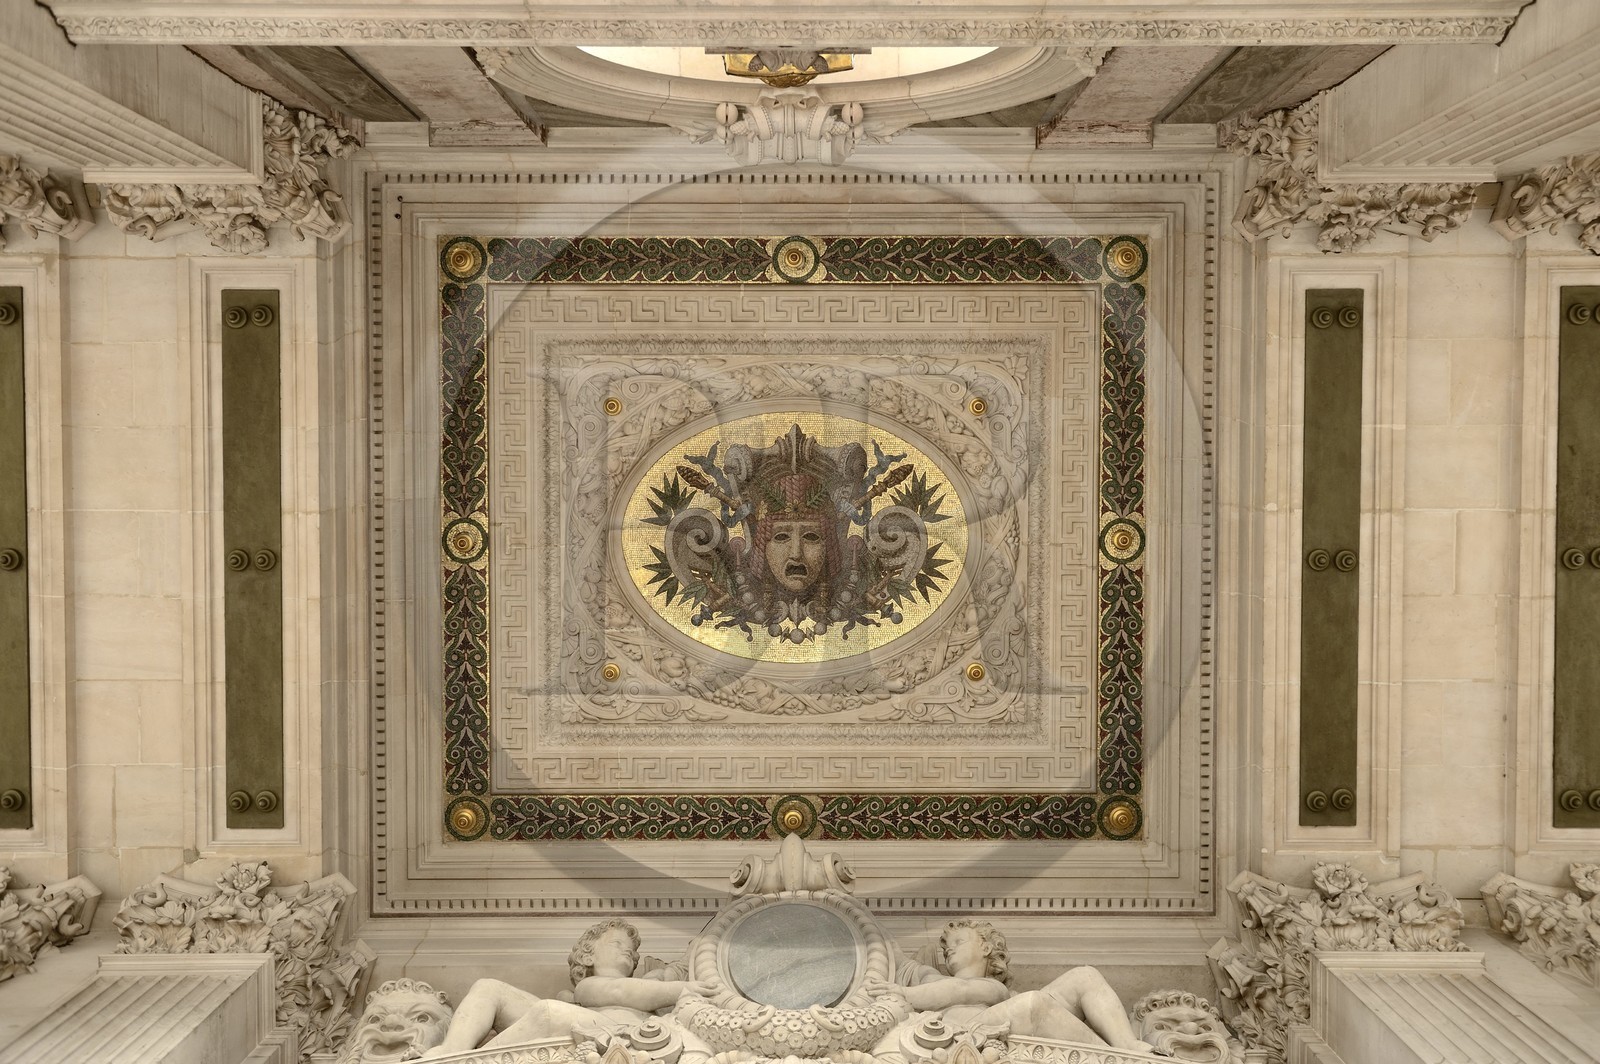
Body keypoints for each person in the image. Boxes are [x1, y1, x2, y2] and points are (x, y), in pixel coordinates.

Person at [422, 919, 707, 1057]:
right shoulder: (590, 986)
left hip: (625, 1037)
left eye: (632, 951)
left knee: (549, 1011)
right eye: (617, 944)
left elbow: (689, 961)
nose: (629, 953)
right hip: (596, 1027)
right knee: (490, 987)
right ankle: (452, 1054)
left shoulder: (651, 978)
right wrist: (685, 989)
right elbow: (624, 992)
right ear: (587, 956)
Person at [897, 920, 1155, 1054]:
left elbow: (960, 990)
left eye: (959, 941)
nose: (948, 948)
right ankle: (1108, 1057)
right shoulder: (931, 975)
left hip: (999, 1019)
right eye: (945, 949)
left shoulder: (990, 987)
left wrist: (904, 994)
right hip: (973, 1028)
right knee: (1032, 1004)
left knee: (1085, 976)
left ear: (986, 948)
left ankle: (1126, 1045)